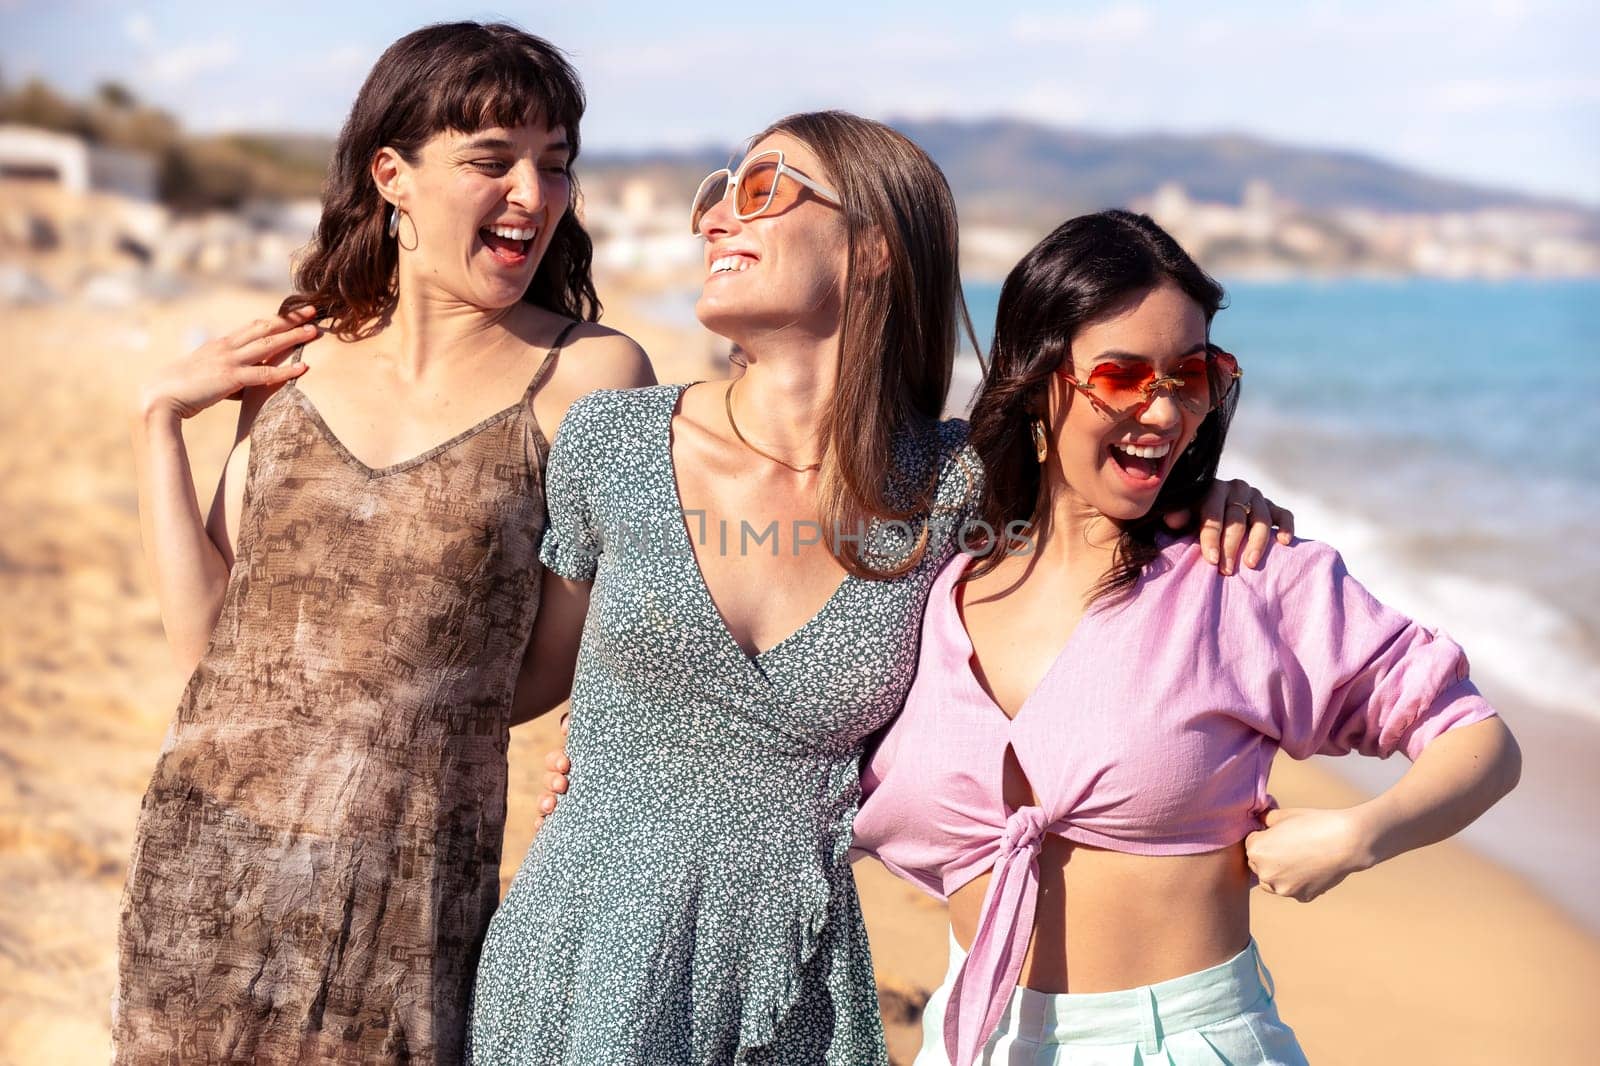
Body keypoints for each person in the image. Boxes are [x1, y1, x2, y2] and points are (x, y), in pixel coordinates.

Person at [469, 113, 1283, 1065]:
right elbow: (525, 682)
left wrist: (1214, 497)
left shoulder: (962, 488)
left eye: (765, 188)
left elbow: (1110, 483)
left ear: (875, 250)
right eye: (719, 194)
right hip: (575, 962)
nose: (719, 219)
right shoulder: (611, 443)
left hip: (791, 990)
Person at [849, 210, 1522, 1065]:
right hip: (970, 1038)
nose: (1166, 413)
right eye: (1126, 377)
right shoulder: (932, 581)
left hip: (1182, 1043)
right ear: (1036, 380)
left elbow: (1481, 744)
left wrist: (1359, 837)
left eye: (1194, 376)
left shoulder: (1244, 576)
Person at [116, 22, 653, 1062]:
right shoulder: (297, 354)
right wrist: (156, 425)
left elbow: (542, 670)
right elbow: (211, 649)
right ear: (393, 176)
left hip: (408, 884)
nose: (532, 196)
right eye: (491, 162)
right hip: (206, 853)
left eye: (555, 165)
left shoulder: (593, 378)